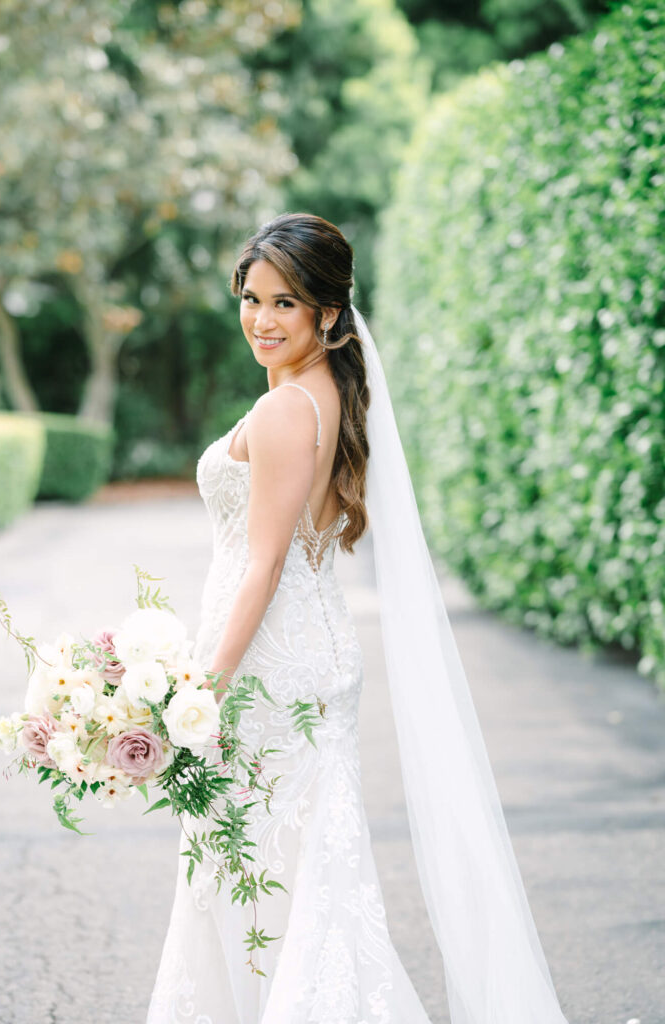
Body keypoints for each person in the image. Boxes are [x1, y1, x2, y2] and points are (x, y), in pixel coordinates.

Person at [147, 213, 570, 1023]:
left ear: (328, 315)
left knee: (252, 877)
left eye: (286, 305)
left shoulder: (281, 412)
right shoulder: (324, 393)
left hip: (268, 669)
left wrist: (200, 691)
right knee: (304, 882)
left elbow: (263, 566)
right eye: (252, 298)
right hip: (311, 659)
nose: (262, 321)